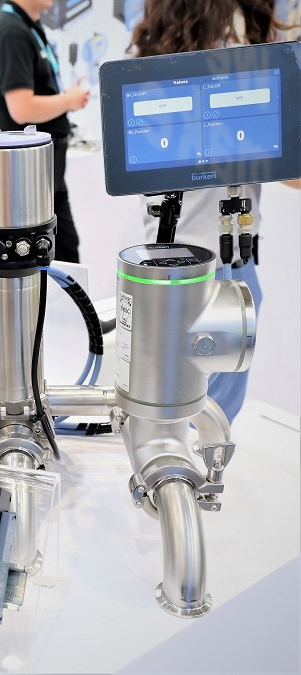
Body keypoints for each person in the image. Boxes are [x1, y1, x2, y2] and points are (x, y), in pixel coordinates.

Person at [131, 0, 298, 422]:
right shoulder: (235, 59)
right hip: (217, 263)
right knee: (210, 413)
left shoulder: (155, 58)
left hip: (170, 255)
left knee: (176, 404)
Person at [0, 0, 90, 263]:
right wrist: (69, 100)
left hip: (46, 171)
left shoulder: (27, 27)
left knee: (65, 249)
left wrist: (68, 99)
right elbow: (21, 109)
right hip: (31, 174)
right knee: (55, 255)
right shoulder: (12, 32)